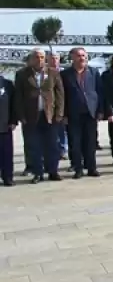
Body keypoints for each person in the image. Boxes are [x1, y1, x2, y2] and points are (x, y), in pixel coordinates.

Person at [15, 49, 64, 183]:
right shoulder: (22, 75)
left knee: (52, 145)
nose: (39, 60)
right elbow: (18, 97)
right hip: (31, 116)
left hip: (49, 116)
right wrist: (21, 115)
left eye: (42, 57)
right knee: (34, 146)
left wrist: (59, 113)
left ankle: (53, 171)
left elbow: (60, 95)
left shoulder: (53, 73)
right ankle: (38, 173)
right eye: (36, 57)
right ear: (31, 59)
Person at [61, 47, 103, 179]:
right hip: (73, 114)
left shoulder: (93, 72)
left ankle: (91, 168)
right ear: (72, 58)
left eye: (84, 55)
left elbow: (100, 92)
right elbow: (62, 96)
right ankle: (78, 169)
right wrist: (64, 114)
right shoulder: (65, 75)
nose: (82, 58)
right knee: (75, 143)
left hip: (90, 113)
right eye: (79, 56)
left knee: (90, 142)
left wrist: (101, 110)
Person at [0, 74, 17, 186]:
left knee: (6, 153)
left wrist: (13, 120)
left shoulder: (7, 84)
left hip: (4, 124)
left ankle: (7, 176)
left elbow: (14, 104)